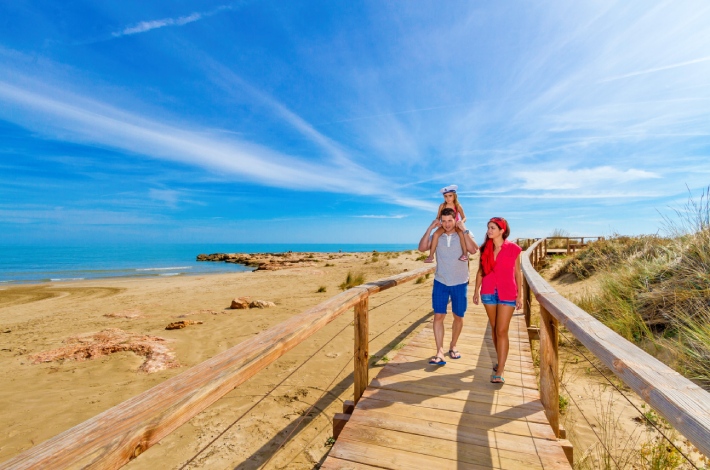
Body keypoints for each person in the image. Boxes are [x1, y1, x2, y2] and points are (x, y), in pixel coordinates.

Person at [418, 208, 478, 365]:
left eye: (450, 221)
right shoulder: (437, 235)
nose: (447, 224)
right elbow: (422, 248)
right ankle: (439, 352)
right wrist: (430, 228)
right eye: (443, 221)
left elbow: (473, 250)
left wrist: (464, 230)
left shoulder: (464, 233)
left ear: (455, 220)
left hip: (460, 282)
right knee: (438, 316)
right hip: (441, 281)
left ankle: (453, 346)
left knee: (458, 316)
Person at [472, 217, 523, 384]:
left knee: (502, 330)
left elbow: (517, 273)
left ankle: (500, 369)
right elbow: (481, 271)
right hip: (488, 291)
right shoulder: (485, 248)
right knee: (494, 329)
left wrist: (520, 295)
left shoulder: (513, 249)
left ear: (502, 231)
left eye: (492, 228)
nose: (489, 230)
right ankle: (500, 360)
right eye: (488, 227)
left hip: (507, 293)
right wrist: (476, 291)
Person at [424, 185, 470, 263]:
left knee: (461, 235)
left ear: (454, 196)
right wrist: (437, 221)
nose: (448, 198)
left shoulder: (458, 206)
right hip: (444, 226)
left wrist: (461, 222)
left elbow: (464, 217)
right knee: (435, 234)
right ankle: (431, 256)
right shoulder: (442, 206)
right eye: (445, 196)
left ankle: (465, 254)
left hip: (455, 225)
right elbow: (438, 217)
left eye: (450, 196)